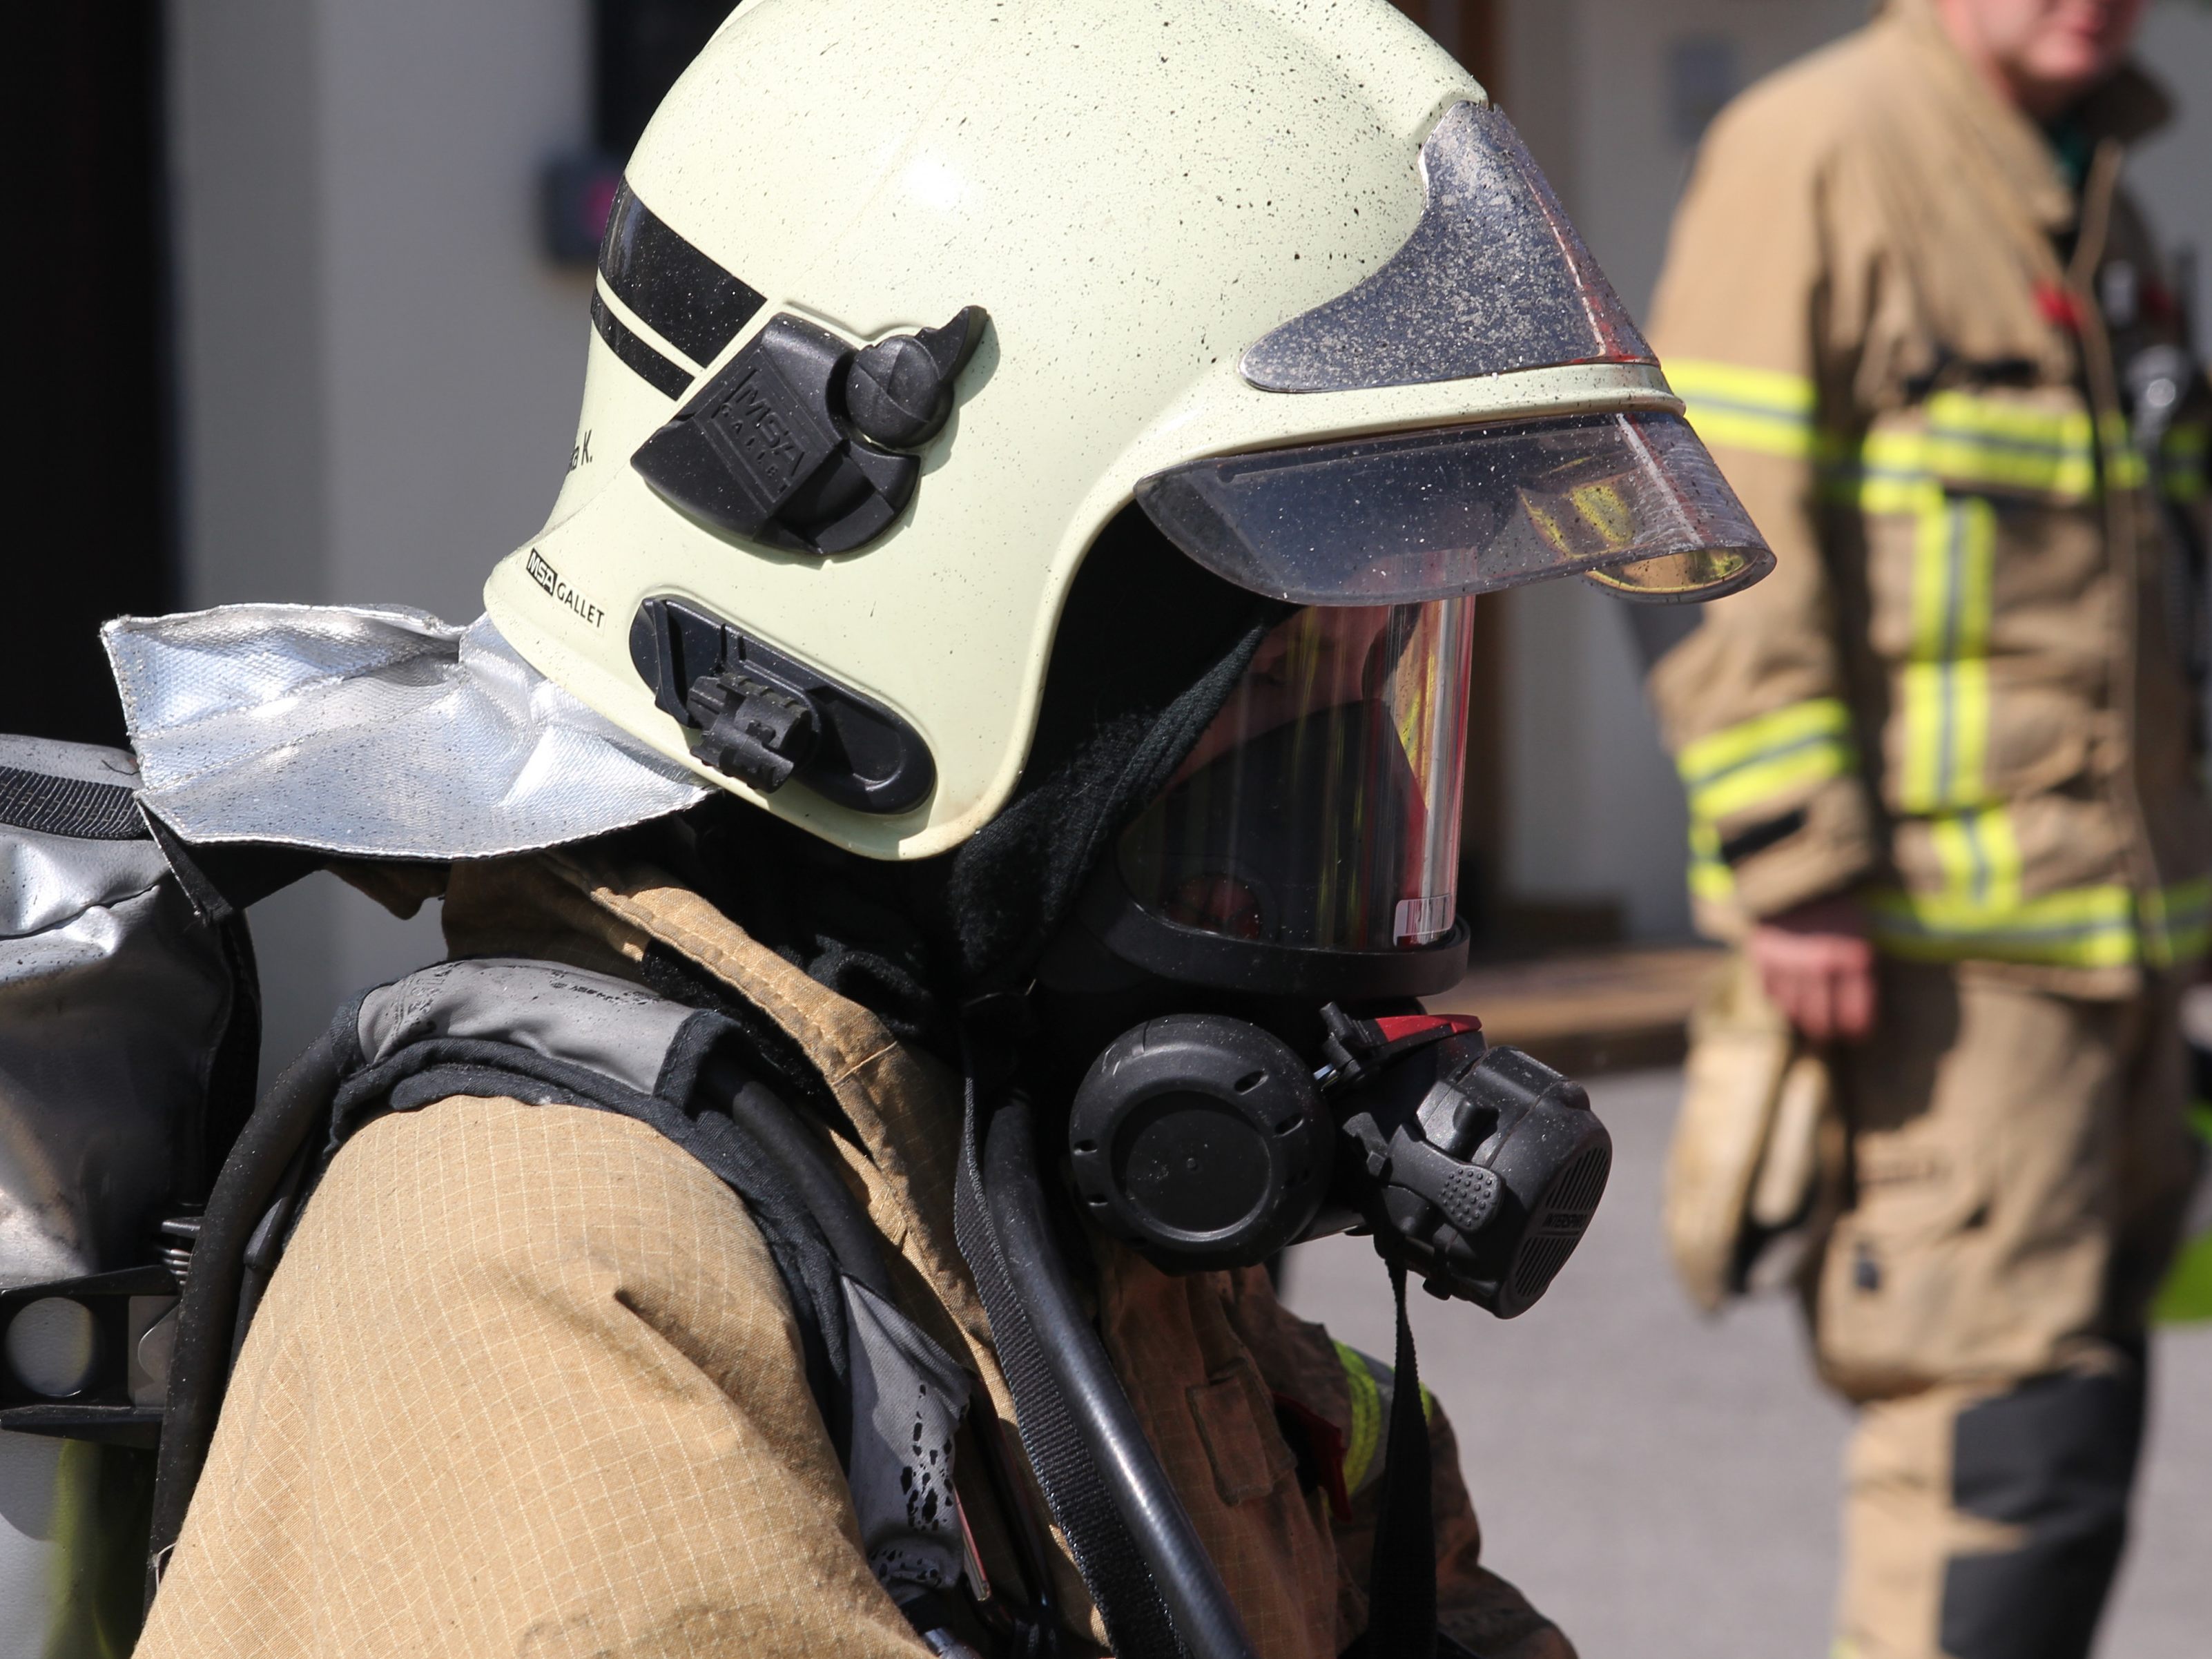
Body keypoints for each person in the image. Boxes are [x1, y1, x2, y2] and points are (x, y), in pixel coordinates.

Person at [61, 4, 1774, 1657]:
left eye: (1382, 682)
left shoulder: (992, 1123)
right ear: (908, 637)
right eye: (1271, 695)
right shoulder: (549, 1269)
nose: (1366, 796)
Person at [1645, 1, 2210, 1655]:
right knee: (1993, 1453)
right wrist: (1795, 868)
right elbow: (1705, 534)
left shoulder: (2095, 167)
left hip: (2108, 950)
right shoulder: (1820, 149)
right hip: (1940, 956)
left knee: (2074, 1439)